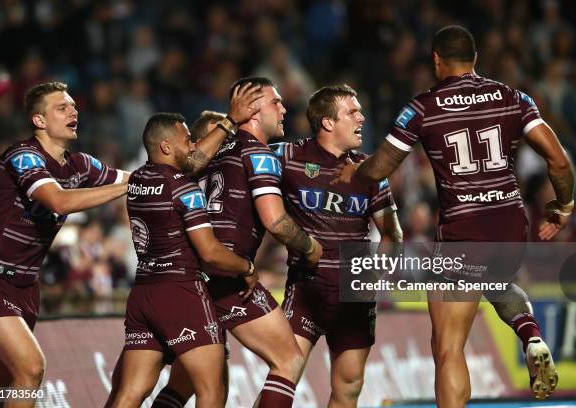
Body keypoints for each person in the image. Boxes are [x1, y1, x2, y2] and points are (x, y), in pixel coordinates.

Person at [334, 26, 573, 406]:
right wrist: (563, 207)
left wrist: (354, 173)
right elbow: (559, 161)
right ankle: (531, 335)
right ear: (475, 59)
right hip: (511, 225)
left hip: (465, 227)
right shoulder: (514, 97)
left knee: (448, 347)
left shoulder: (423, 107)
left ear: (435, 60)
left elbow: (380, 167)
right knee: (494, 280)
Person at [154, 77, 323, 408]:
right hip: (227, 273)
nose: (284, 108)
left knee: (190, 384)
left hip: (183, 273)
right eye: (276, 102)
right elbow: (276, 221)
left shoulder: (209, 153)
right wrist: (310, 247)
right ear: (255, 110)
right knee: (288, 359)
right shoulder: (259, 154)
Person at [105, 84, 264, 408]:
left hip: (143, 294)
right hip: (181, 292)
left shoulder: (135, 182)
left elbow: (191, 160)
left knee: (130, 392)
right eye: (186, 138)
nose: (192, 144)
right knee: (212, 389)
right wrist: (246, 267)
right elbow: (210, 252)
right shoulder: (183, 188)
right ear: (166, 146)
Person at [0, 81, 129, 407]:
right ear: (40, 121)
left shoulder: (80, 165)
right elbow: (58, 201)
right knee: (31, 368)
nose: (73, 111)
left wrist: (171, 173)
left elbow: (133, 178)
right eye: (62, 107)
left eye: (74, 106)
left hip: (27, 285)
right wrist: (124, 189)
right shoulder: (22, 156)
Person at [275, 84, 402, 407]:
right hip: (307, 286)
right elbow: (241, 161)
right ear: (328, 123)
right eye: (352, 112)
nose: (362, 117)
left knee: (348, 388)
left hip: (354, 290)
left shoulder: (370, 170)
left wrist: (376, 276)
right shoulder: (288, 156)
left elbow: (393, 235)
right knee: (283, 376)